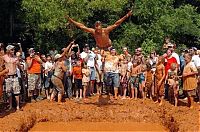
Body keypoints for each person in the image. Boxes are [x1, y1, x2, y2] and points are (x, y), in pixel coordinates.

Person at [67, 11, 132, 49]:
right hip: (99, 47)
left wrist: (126, 15)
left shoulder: (106, 30)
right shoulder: (93, 31)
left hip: (108, 46)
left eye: (98, 26)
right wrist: (71, 21)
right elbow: (82, 26)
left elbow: (116, 24)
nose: (97, 29)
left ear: (101, 27)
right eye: (96, 26)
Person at [3, 45, 21, 110]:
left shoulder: (16, 57)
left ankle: (18, 106)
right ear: (8, 50)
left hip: (15, 76)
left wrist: (18, 61)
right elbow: (2, 66)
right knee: (9, 92)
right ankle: (10, 106)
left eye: (13, 49)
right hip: (8, 77)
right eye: (12, 50)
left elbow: (19, 66)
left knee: (17, 91)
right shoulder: (4, 57)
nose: (13, 51)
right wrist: (4, 74)